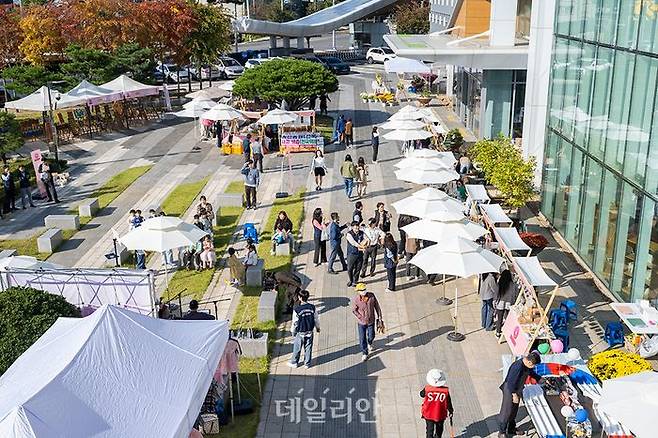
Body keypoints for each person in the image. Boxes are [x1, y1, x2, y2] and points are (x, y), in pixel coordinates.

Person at [498, 352, 542, 438]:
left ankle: (511, 428)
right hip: (510, 390)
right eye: (534, 365)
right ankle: (501, 432)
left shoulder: (526, 365)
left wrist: (538, 378)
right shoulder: (517, 367)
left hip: (517, 389)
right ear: (529, 362)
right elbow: (511, 382)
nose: (534, 367)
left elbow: (530, 372)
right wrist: (514, 395)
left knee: (514, 410)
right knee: (506, 411)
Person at [287, 289, 321, 369]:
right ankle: (307, 363)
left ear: (300, 297)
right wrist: (318, 328)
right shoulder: (312, 307)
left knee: (297, 347)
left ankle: (294, 362)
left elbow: (295, 322)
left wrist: (293, 331)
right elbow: (316, 319)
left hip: (300, 332)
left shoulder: (297, 309)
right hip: (309, 331)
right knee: (308, 347)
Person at [351, 283, 382, 361]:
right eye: (361, 290)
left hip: (371, 320)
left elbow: (377, 306)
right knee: (362, 338)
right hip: (361, 323)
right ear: (358, 291)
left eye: (364, 289)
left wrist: (380, 317)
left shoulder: (372, 296)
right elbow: (354, 310)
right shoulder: (356, 299)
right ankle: (365, 352)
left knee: (371, 335)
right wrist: (360, 317)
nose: (363, 291)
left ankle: (370, 342)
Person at [420, 369, 454, 438]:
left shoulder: (427, 389)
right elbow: (448, 402)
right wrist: (451, 411)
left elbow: (421, 394)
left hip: (429, 413)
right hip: (440, 414)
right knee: (439, 430)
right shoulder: (445, 391)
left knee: (429, 430)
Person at [494, 269, 518, 337]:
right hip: (509, 304)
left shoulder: (499, 284)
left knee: (499, 319)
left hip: (500, 305)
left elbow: (496, 295)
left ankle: (498, 332)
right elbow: (515, 295)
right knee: (508, 319)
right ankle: (507, 332)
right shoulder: (514, 285)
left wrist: (495, 303)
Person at [345, 220, 366, 287]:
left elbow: (366, 238)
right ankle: (351, 280)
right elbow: (353, 243)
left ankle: (355, 281)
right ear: (352, 227)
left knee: (358, 268)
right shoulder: (349, 234)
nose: (357, 228)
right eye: (355, 227)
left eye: (358, 227)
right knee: (350, 268)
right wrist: (361, 246)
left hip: (360, 254)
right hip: (352, 254)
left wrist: (366, 243)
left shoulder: (361, 233)